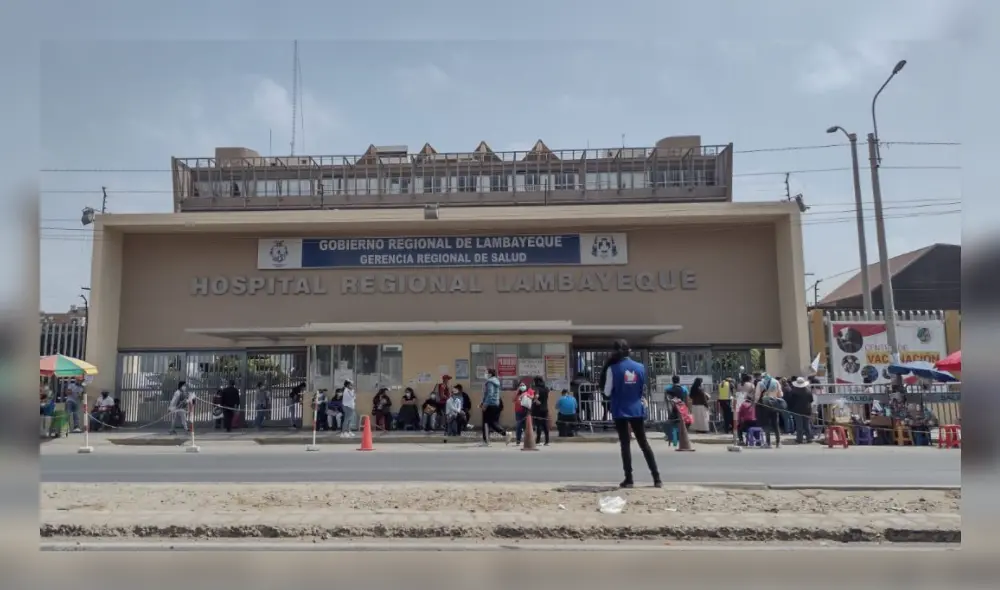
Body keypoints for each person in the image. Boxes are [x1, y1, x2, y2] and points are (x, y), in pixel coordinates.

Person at [604, 339, 660, 488]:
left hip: (620, 409)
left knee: (625, 444)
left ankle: (629, 478)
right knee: (644, 443)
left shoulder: (612, 369)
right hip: (636, 408)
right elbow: (642, 388)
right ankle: (657, 478)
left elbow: (607, 391)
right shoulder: (640, 367)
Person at [480, 368, 509, 446]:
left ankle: (486, 440)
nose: (485, 374)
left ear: (490, 374)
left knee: (487, 423)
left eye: (486, 372)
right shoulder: (495, 381)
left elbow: (490, 394)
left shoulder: (490, 382)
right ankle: (488, 439)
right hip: (495, 404)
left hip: (490, 405)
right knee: (492, 423)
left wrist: (485, 405)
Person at [754, 373, 784, 448]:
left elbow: (757, 396)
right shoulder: (776, 382)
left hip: (764, 405)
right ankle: (778, 442)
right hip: (774, 404)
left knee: (766, 424)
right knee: (776, 424)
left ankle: (768, 443)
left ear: (763, 377)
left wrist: (755, 403)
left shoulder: (760, 383)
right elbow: (780, 395)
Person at [785, 376, 815, 444]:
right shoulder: (808, 391)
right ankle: (809, 438)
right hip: (807, 410)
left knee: (799, 425)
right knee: (807, 425)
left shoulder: (794, 391)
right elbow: (811, 400)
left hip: (797, 410)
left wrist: (790, 408)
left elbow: (791, 401)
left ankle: (799, 439)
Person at [532, 376, 551, 446]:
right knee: (545, 425)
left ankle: (538, 441)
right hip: (545, 409)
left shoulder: (537, 388)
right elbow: (547, 396)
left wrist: (536, 400)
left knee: (538, 425)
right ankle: (547, 441)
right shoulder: (546, 388)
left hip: (538, 409)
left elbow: (536, 396)